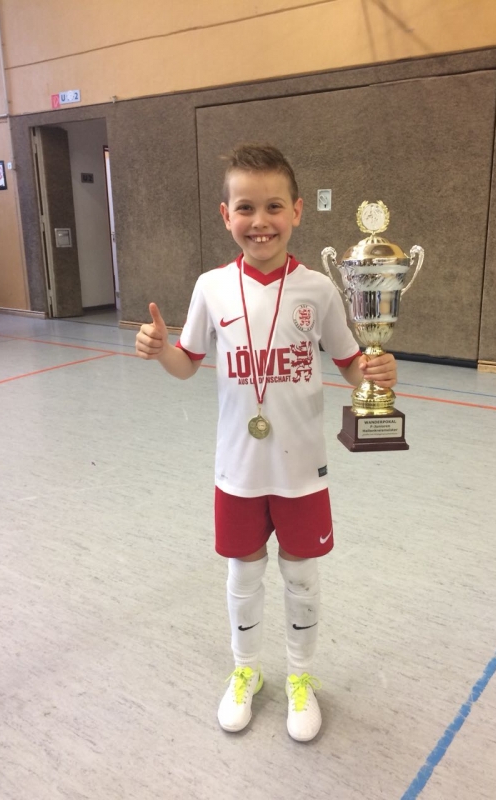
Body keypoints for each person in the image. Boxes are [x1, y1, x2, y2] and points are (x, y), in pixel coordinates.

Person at [135, 143, 397, 742]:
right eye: (246, 207)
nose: (260, 221)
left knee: (302, 578)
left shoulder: (319, 290)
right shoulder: (211, 287)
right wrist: (161, 350)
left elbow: (351, 364)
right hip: (239, 467)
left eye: (274, 206)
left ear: (297, 210)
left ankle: (301, 677)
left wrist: (377, 371)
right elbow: (187, 364)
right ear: (225, 215)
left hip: (302, 469)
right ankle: (246, 671)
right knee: (243, 575)